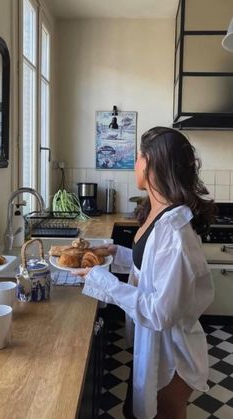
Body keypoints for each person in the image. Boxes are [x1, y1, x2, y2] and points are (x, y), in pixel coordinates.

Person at [77, 126, 216, 419]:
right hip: (153, 347)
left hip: (173, 357)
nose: (135, 163)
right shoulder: (157, 212)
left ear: (153, 164)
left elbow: (160, 311)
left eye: (139, 156)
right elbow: (151, 267)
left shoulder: (175, 231)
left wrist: (103, 280)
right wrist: (115, 253)